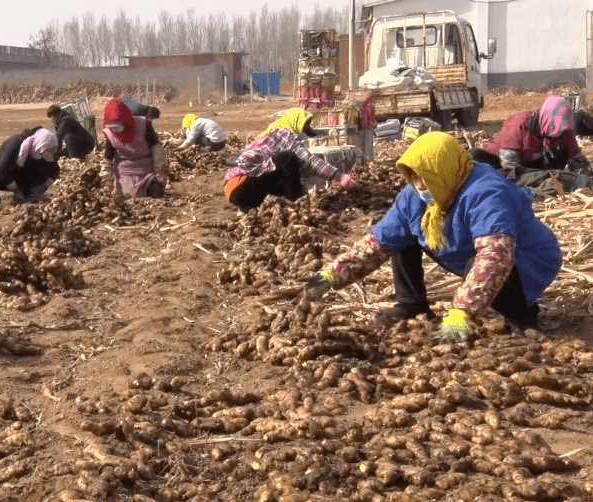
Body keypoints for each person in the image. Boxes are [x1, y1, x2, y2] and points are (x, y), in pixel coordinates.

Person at [308, 132, 561, 338]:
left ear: (443, 171)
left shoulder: (485, 192)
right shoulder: (414, 197)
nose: (419, 187)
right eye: (414, 179)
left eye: (425, 179)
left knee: (485, 268)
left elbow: (495, 256)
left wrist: (462, 310)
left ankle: (523, 312)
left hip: (526, 261)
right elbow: (378, 244)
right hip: (470, 250)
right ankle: (411, 305)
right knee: (402, 233)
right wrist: (330, 276)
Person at [222, 108, 358, 210]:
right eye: (303, 127)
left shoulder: (269, 135)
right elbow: (308, 161)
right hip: (243, 185)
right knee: (288, 158)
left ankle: (250, 208)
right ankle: (294, 205)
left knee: (282, 176)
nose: (304, 132)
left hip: (234, 192)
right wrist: (339, 177)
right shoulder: (285, 135)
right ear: (294, 123)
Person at [472, 95, 590, 175]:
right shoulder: (520, 125)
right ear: (546, 117)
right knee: (475, 155)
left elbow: (578, 161)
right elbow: (511, 169)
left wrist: (582, 177)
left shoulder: (564, 130)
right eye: (553, 125)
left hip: (535, 169)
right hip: (503, 166)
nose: (557, 131)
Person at [102, 98, 168, 198]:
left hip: (146, 170)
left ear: (126, 119)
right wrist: (107, 179)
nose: (116, 129)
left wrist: (161, 171)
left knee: (156, 191)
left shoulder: (143, 125)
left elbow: (156, 149)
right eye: (113, 127)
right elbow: (107, 158)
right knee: (122, 195)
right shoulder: (110, 134)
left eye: (118, 125)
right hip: (125, 173)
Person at [0, 127, 59, 206]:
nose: (49, 154)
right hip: (5, 177)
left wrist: (43, 186)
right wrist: (14, 187)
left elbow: (55, 169)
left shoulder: (45, 150)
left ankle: (29, 194)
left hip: (26, 179)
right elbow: (3, 169)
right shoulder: (16, 143)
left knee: (42, 166)